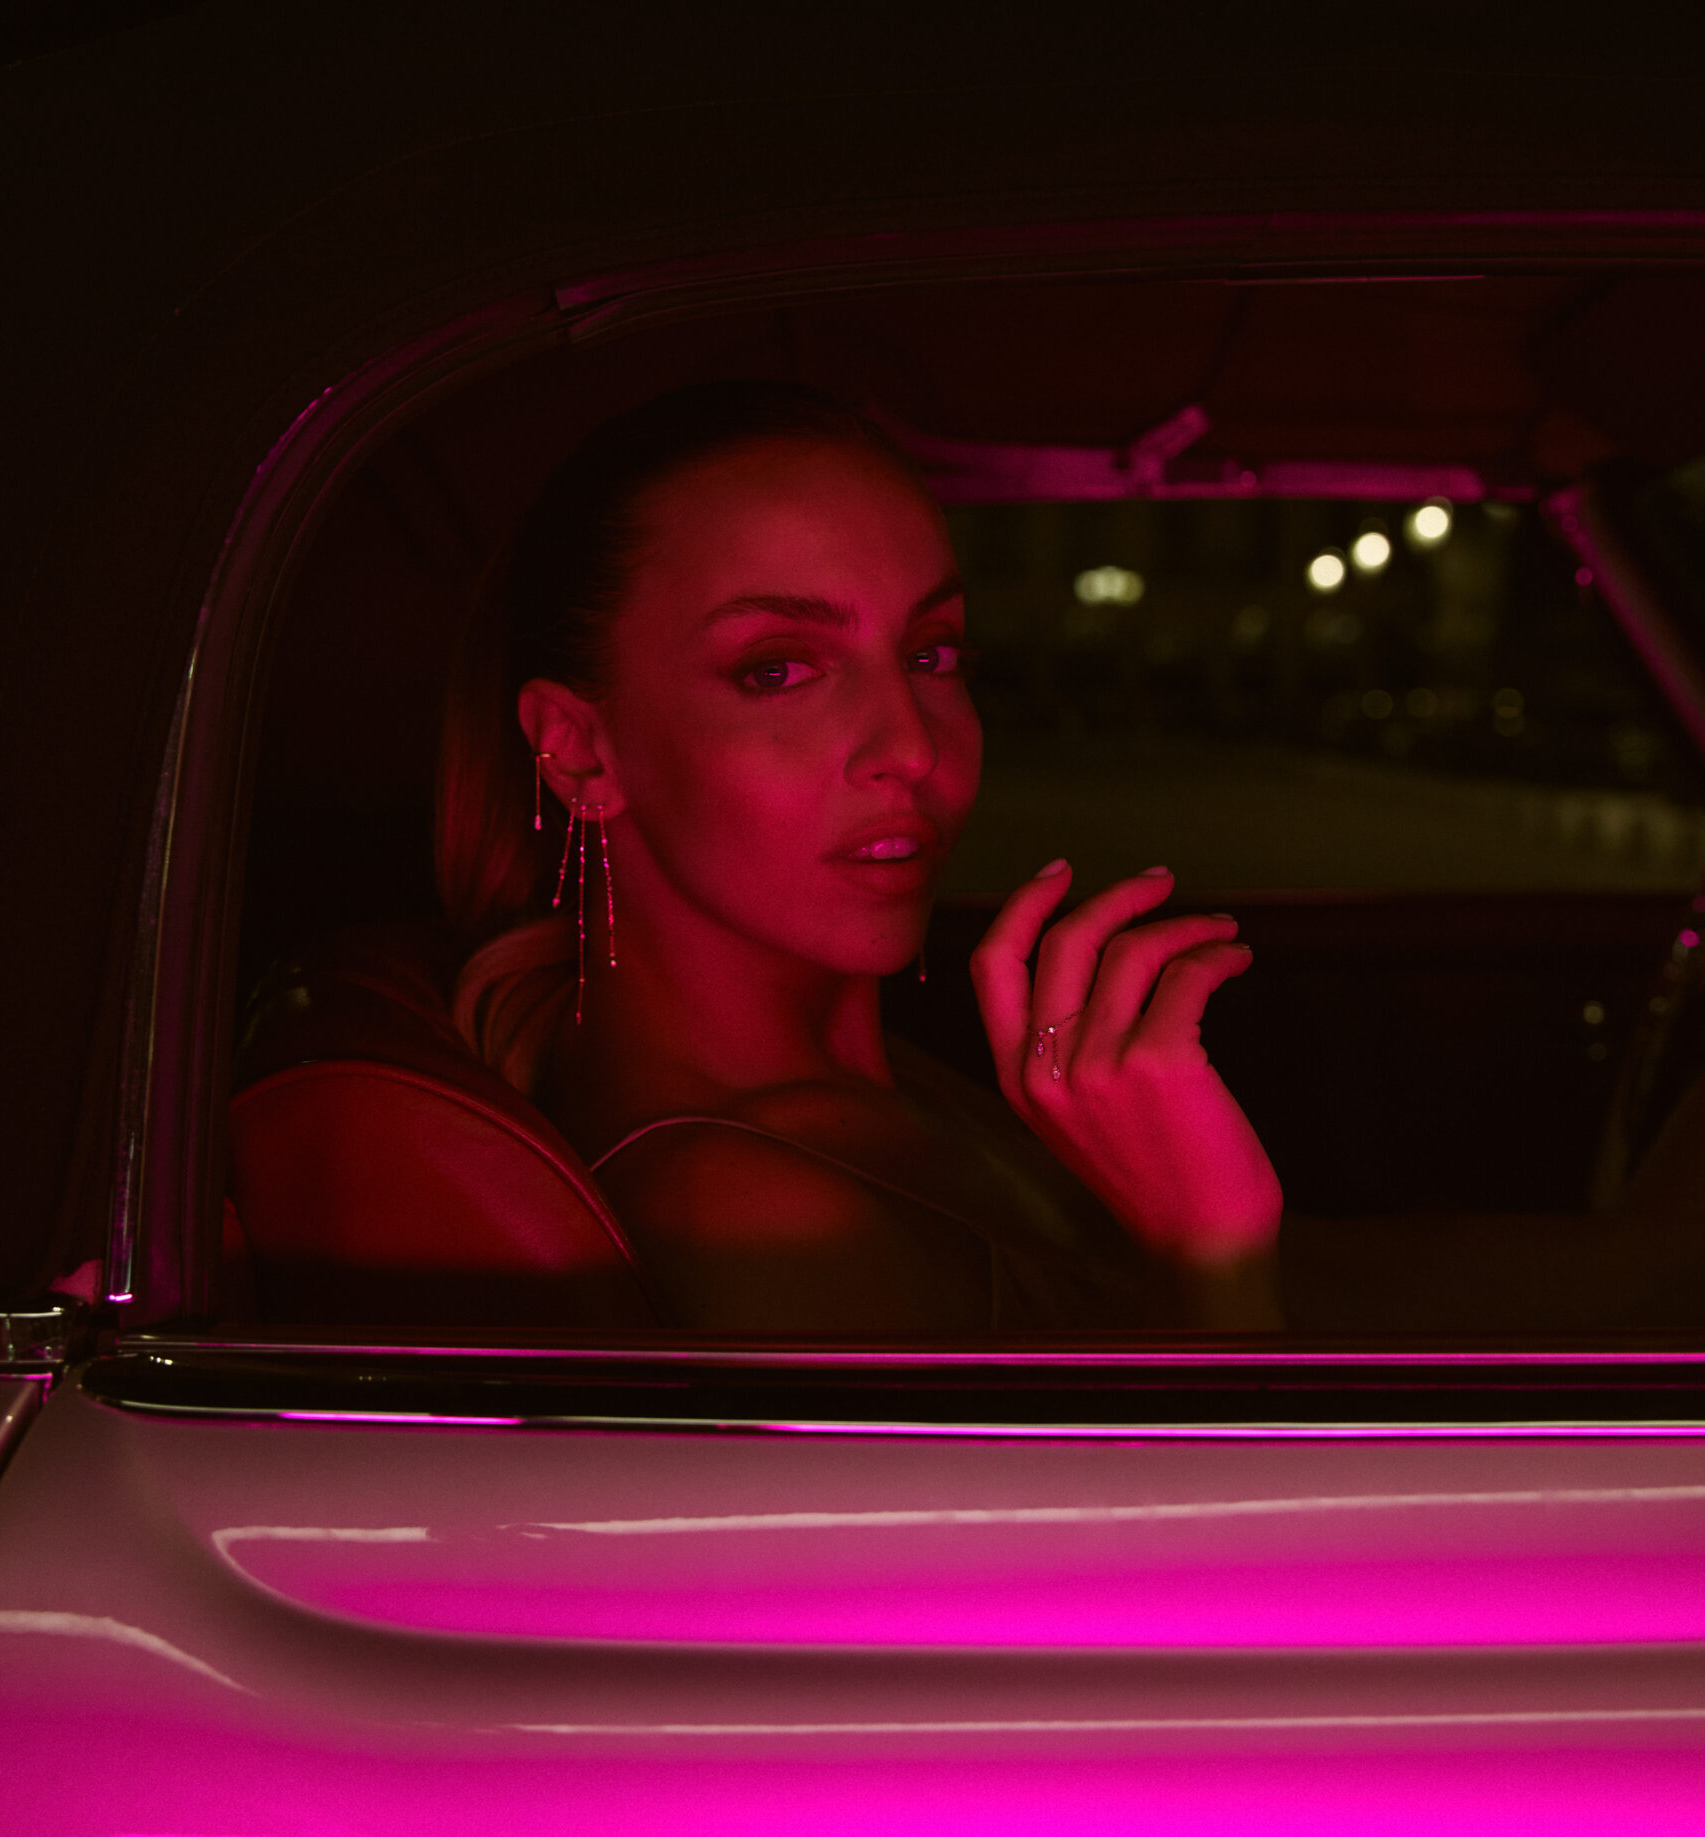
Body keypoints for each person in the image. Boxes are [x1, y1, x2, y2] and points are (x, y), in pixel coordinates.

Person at [435, 381, 1283, 1336]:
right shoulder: (749, 1213)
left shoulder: (881, 1082)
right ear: (579, 749)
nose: (912, 748)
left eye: (931, 655)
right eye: (777, 670)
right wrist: (1215, 1256)